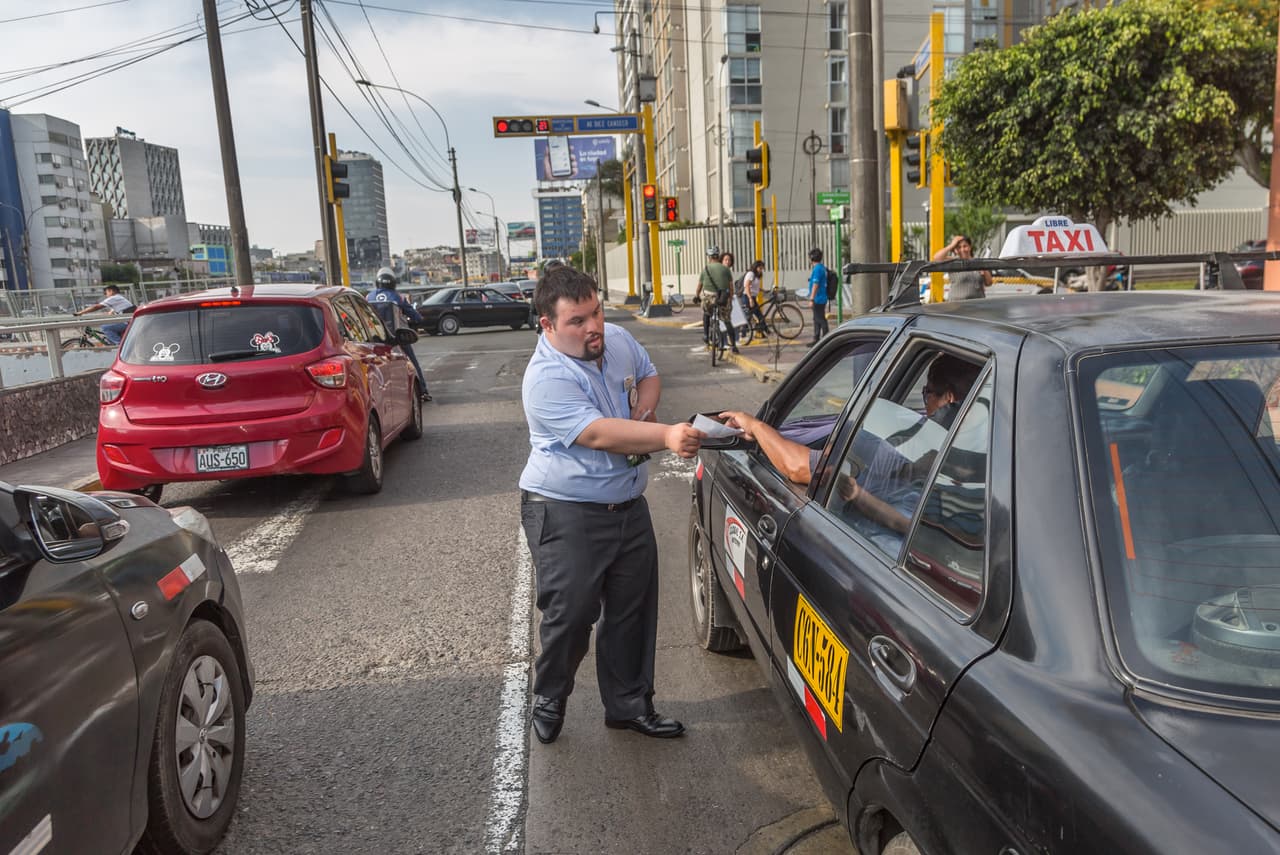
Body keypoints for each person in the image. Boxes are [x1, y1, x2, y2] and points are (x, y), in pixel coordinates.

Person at [520, 265, 704, 745]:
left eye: (596, 312)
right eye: (577, 321)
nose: (593, 327)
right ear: (548, 326)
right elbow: (598, 433)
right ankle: (551, 693)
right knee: (573, 612)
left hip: (627, 505)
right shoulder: (545, 379)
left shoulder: (617, 339)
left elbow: (648, 374)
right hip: (565, 510)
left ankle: (627, 706)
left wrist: (645, 407)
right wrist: (663, 434)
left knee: (632, 610)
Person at [719, 354, 980, 544]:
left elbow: (798, 468)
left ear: (948, 399)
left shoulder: (924, 454)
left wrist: (753, 425)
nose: (924, 407)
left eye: (928, 393)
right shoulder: (985, 453)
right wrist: (911, 470)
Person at [366, 266, 431, 401]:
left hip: (374, 339)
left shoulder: (368, 297)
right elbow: (415, 316)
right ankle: (423, 391)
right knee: (412, 364)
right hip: (397, 337)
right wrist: (418, 320)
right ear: (392, 281)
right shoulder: (398, 297)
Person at [694, 246, 738, 353]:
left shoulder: (706, 269)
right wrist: (730, 299)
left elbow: (699, 286)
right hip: (722, 298)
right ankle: (734, 346)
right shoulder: (725, 269)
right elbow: (731, 287)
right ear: (718, 256)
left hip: (709, 299)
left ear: (709, 257)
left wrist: (696, 295)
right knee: (727, 321)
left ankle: (705, 334)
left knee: (706, 313)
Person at [933, 234, 992, 301]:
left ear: (970, 247)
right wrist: (952, 245)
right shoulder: (953, 261)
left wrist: (985, 271)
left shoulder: (978, 262)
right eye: (959, 247)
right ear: (955, 250)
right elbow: (936, 258)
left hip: (977, 305)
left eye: (965, 246)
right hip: (956, 306)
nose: (962, 249)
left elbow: (989, 283)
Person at [805, 248, 829, 344]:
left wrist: (811, 299)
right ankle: (816, 338)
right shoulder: (821, 267)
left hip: (818, 298)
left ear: (811, 258)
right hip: (820, 297)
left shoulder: (818, 269)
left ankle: (825, 339)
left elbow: (816, 284)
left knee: (820, 319)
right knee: (816, 319)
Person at [740, 259, 768, 334]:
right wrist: (750, 299)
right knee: (748, 316)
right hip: (747, 297)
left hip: (752, 297)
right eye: (760, 268)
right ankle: (743, 333)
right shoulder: (751, 274)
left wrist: (763, 290)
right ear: (756, 267)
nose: (761, 270)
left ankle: (765, 330)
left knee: (759, 315)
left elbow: (754, 287)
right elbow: (747, 286)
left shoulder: (756, 275)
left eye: (762, 268)